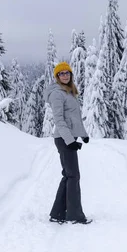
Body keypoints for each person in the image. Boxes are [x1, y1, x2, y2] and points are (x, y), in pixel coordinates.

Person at [43, 61, 92, 225]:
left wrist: (82, 135)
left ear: (71, 75)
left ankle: (58, 213)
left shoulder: (69, 92)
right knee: (73, 176)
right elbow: (60, 121)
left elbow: (74, 119)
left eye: (67, 73)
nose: (64, 75)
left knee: (69, 175)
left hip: (68, 138)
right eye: (61, 73)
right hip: (64, 139)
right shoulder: (57, 94)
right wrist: (70, 141)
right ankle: (74, 215)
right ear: (57, 77)